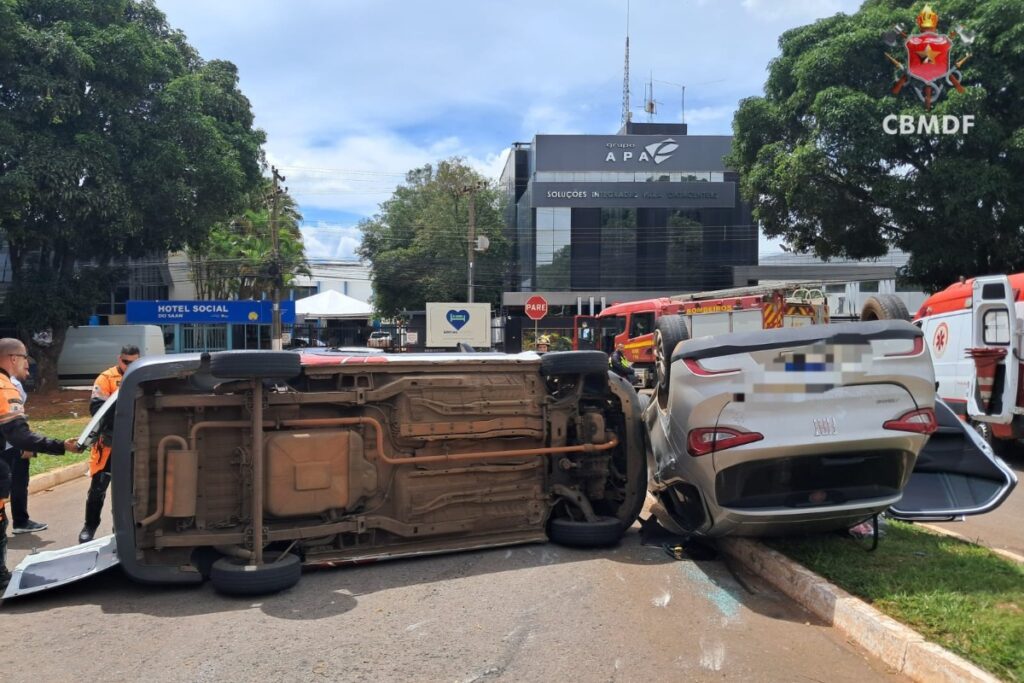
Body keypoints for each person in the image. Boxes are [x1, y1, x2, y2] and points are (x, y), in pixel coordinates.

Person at [0, 338, 81, 589]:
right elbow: (19, 435)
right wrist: (60, 445)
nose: (28, 363)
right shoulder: (5, 387)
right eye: (26, 358)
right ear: (13, 358)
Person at [79, 344, 140, 544]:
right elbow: (97, 409)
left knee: (132, 489)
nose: (129, 365)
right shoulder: (106, 378)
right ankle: (89, 526)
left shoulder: (142, 376)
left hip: (136, 442)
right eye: (125, 362)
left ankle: (122, 528)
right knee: (98, 488)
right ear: (119, 359)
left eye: (133, 362)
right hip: (109, 444)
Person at [1, 375, 47, 534]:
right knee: (19, 481)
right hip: (11, 442)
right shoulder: (11, 384)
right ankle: (21, 521)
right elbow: (16, 417)